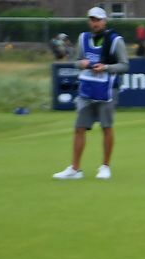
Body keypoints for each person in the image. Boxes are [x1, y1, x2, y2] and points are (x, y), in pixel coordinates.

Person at [53, 8, 128, 181]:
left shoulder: (115, 40)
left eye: (98, 20)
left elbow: (124, 65)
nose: (95, 23)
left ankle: (105, 166)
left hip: (108, 89)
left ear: (105, 21)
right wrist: (83, 64)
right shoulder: (83, 38)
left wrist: (106, 68)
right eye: (92, 20)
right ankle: (75, 168)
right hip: (87, 88)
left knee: (106, 127)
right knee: (79, 128)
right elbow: (77, 61)